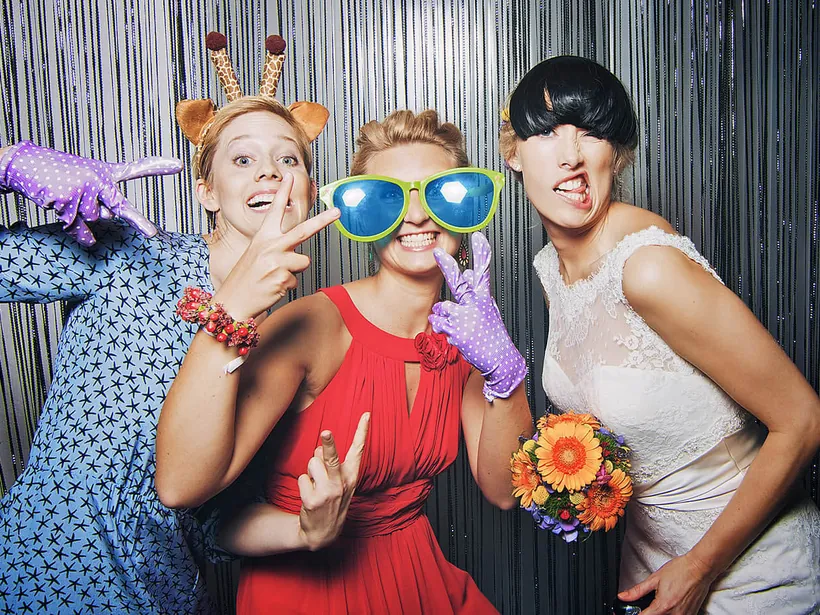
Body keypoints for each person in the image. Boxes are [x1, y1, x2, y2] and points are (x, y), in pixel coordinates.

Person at [0, 32, 338, 613]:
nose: (269, 173)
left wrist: (304, 530)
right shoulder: (131, 255)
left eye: (289, 159)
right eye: (242, 159)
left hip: (162, 596)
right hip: (37, 575)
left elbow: (213, 520)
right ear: (207, 190)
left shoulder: (285, 339)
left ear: (308, 190)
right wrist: (8, 163)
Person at [156, 109, 534, 614]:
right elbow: (181, 486)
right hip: (306, 591)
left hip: (415, 578)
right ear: (361, 217)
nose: (418, 217)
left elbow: (505, 491)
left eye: (441, 194)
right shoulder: (314, 327)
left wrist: (505, 377)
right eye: (389, 199)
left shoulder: (471, 335)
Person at [500, 55, 820, 614]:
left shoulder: (647, 267)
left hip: (750, 574)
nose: (571, 155)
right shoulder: (550, 268)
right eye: (549, 132)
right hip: (649, 569)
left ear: (616, 155)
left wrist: (699, 570)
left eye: (592, 134)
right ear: (513, 152)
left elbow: (803, 418)